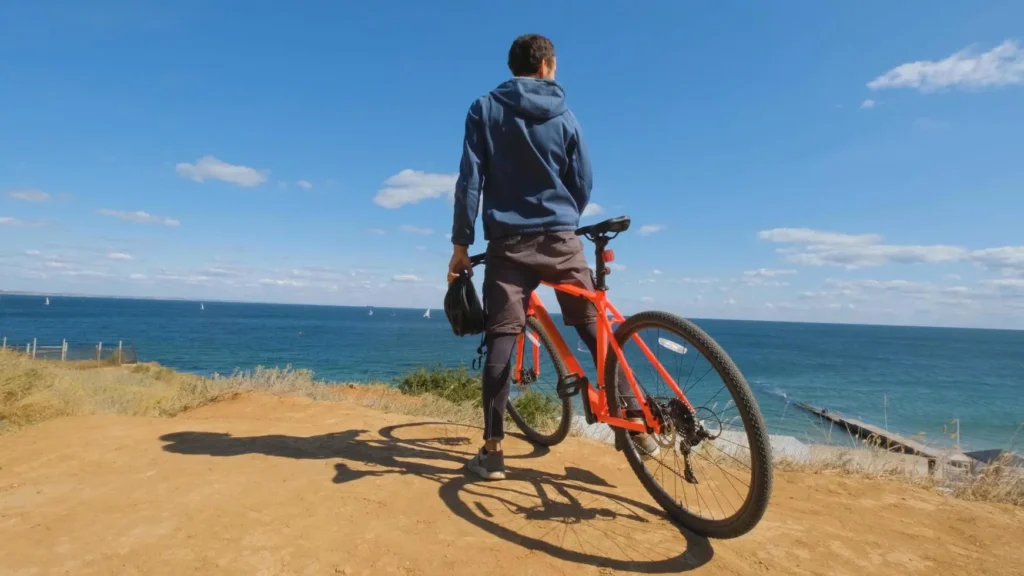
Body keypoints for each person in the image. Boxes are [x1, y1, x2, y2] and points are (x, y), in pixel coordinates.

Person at [448, 34, 659, 481]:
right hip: (561, 240)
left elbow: (470, 182)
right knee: (592, 327)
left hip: (507, 244)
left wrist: (461, 245)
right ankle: (639, 422)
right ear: (546, 65)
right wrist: (562, 216)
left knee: (503, 335)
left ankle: (493, 450)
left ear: (515, 67)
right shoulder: (566, 116)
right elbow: (582, 180)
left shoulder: (484, 109)